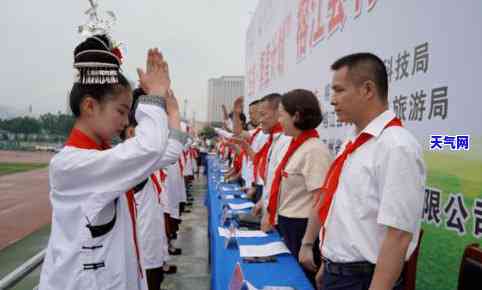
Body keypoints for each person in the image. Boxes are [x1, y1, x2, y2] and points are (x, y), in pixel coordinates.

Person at [38, 35, 187, 290]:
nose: (124, 122)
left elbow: (168, 151)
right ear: (89, 106)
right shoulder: (71, 165)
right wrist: (155, 97)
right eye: (120, 111)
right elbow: (149, 148)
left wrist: (172, 112)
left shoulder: (105, 159)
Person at [311, 53, 426, 290]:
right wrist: (329, 261)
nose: (332, 100)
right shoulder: (353, 141)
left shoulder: (397, 146)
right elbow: (346, 212)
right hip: (339, 271)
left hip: (364, 279)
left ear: (367, 90)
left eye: (339, 90)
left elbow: (398, 236)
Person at [264, 89, 331, 284]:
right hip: (289, 225)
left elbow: (320, 200)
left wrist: (307, 243)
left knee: (302, 282)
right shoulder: (297, 146)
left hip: (303, 229)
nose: (279, 120)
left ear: (297, 116)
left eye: (282, 114)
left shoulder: (314, 151)